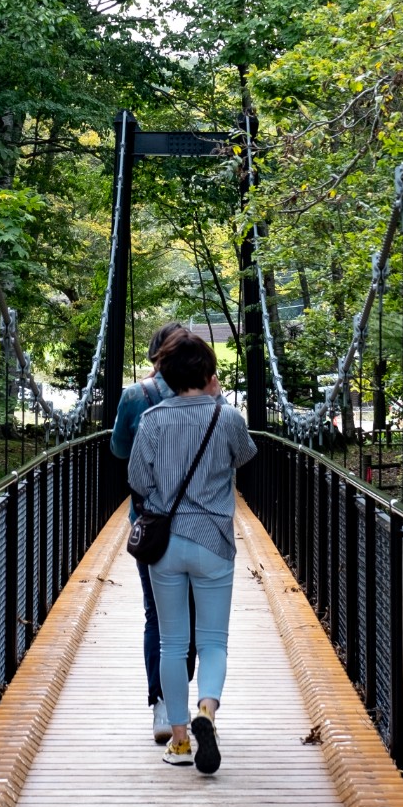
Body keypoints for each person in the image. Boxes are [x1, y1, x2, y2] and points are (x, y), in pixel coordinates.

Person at [127, 329, 255, 774]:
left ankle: (179, 741)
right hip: (214, 540)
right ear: (208, 372)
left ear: (164, 373)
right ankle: (207, 712)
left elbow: (139, 482)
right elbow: (244, 457)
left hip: (166, 546)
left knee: (172, 642)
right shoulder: (228, 417)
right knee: (213, 641)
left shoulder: (153, 420)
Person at [109, 322, 195, 743]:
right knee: (194, 615)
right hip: (202, 524)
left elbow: (119, 451)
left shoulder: (134, 397)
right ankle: (186, 698)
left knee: (156, 613)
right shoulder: (203, 396)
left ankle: (163, 704)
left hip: (150, 523)